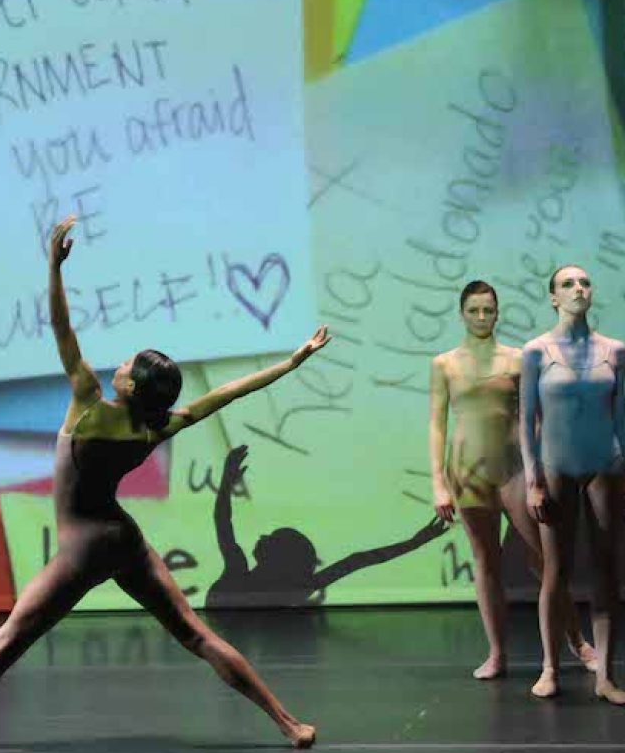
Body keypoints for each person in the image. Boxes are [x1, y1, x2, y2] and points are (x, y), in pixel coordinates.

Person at [0, 215, 331, 751]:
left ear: (129, 383)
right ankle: (290, 724)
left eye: (127, 363)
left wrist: (53, 269)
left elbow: (61, 327)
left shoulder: (88, 403)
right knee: (197, 635)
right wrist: (290, 363)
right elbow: (226, 394)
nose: (120, 362)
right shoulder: (158, 425)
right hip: (122, 540)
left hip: (82, 549)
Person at [430, 280, 597, 681]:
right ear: (461, 314)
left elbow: (533, 419)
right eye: (474, 310)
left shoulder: (519, 359)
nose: (482, 317)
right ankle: (497, 653)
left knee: (545, 560)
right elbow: (437, 424)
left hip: (515, 471)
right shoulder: (445, 364)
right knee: (486, 562)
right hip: (468, 473)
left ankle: (579, 642)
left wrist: (539, 470)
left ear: (498, 312)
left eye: (489, 310)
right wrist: (438, 482)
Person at [521, 265, 625, 702]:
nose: (578, 288)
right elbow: (526, 419)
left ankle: (605, 676)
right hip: (557, 466)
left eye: (584, 282)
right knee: (556, 571)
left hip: (605, 466)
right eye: (568, 284)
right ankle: (550, 668)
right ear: (553, 298)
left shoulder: (615, 350)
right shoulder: (536, 351)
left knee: (606, 572)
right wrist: (532, 480)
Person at [208, 446, 446, 609]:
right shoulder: (298, 588)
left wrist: (227, 480)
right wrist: (416, 542)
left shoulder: (239, 571)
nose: (262, 536)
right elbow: (359, 559)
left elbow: (223, 522)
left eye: (271, 538)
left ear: (279, 555)